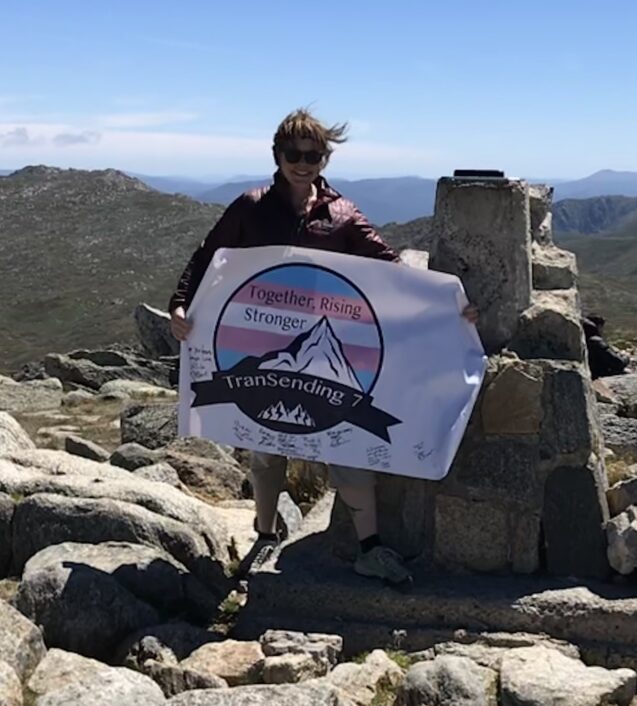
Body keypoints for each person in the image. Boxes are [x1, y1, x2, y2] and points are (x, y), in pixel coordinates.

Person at [169, 108, 476, 587]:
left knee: (345, 444)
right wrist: (181, 304)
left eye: (313, 154)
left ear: (324, 157)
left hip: (328, 348)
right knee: (266, 445)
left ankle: (369, 549)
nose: (303, 163)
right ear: (278, 154)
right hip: (263, 343)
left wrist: (446, 305)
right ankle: (265, 533)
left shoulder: (342, 214)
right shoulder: (250, 207)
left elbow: (390, 268)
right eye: (294, 153)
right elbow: (208, 257)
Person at [582, 314, 628, 378]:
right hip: (600, 374)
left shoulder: (583, 339)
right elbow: (619, 363)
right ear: (598, 326)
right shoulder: (596, 342)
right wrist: (625, 357)